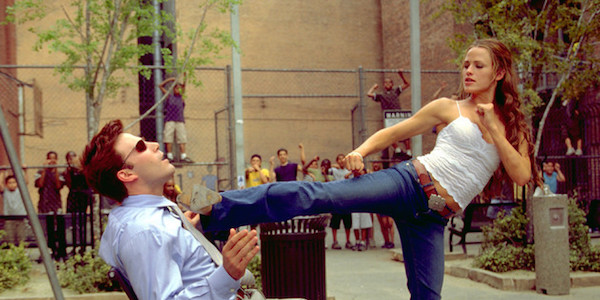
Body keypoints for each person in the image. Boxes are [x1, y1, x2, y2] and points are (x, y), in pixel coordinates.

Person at [198, 39, 540, 300]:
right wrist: (358, 152)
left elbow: (521, 175)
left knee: (427, 295)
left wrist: (495, 130)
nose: (467, 70)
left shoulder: (513, 126)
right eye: (465, 64)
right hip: (407, 183)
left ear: (498, 72)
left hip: (433, 217)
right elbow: (393, 132)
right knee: (315, 195)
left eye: (477, 66)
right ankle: (213, 208)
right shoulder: (448, 108)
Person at [80, 120, 259, 300]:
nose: (155, 144)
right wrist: (227, 275)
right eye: (141, 146)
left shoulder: (139, 219)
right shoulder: (147, 230)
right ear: (126, 174)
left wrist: (180, 233)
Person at [367, 69, 411, 157]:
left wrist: (401, 75)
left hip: (397, 115)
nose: (387, 84)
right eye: (385, 83)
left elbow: (407, 84)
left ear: (392, 84)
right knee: (389, 133)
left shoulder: (395, 91)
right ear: (383, 85)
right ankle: (397, 149)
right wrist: (374, 87)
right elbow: (369, 94)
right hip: (389, 117)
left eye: (389, 83)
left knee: (405, 132)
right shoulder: (381, 95)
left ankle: (408, 150)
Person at [62, 151, 93, 255]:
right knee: (73, 223)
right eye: (69, 159)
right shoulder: (69, 171)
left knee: (82, 223)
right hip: (73, 196)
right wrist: (69, 170)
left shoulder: (84, 169)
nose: (72, 161)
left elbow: (89, 182)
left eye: (73, 158)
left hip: (83, 196)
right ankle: (74, 247)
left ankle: (83, 247)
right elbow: (69, 184)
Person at [159, 75, 193, 163]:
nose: (178, 90)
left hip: (180, 120)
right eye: (176, 88)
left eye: (179, 88)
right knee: (168, 137)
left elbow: (184, 86)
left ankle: (183, 156)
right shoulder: (169, 97)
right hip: (170, 120)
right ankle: (170, 156)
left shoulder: (181, 98)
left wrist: (184, 77)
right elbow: (160, 86)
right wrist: (171, 79)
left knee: (182, 138)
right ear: (173, 89)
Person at [1, 166, 30, 245]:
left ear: (17, 183)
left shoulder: (20, 190)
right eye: (9, 183)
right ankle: (12, 255)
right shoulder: (5, 192)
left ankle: (22, 254)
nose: (12, 184)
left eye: (14, 182)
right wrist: (2, 172)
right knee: (10, 239)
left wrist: (25, 171)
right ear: (6, 184)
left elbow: (26, 182)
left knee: (21, 239)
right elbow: (0, 184)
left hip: (20, 218)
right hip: (9, 219)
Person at [329, 154, 353, 250]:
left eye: (343, 159)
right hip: (336, 199)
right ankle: (335, 241)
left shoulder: (348, 171)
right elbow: (325, 169)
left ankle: (348, 241)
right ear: (337, 161)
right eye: (339, 159)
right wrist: (333, 165)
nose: (341, 161)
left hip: (346, 199)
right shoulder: (334, 170)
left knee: (347, 223)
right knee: (335, 223)